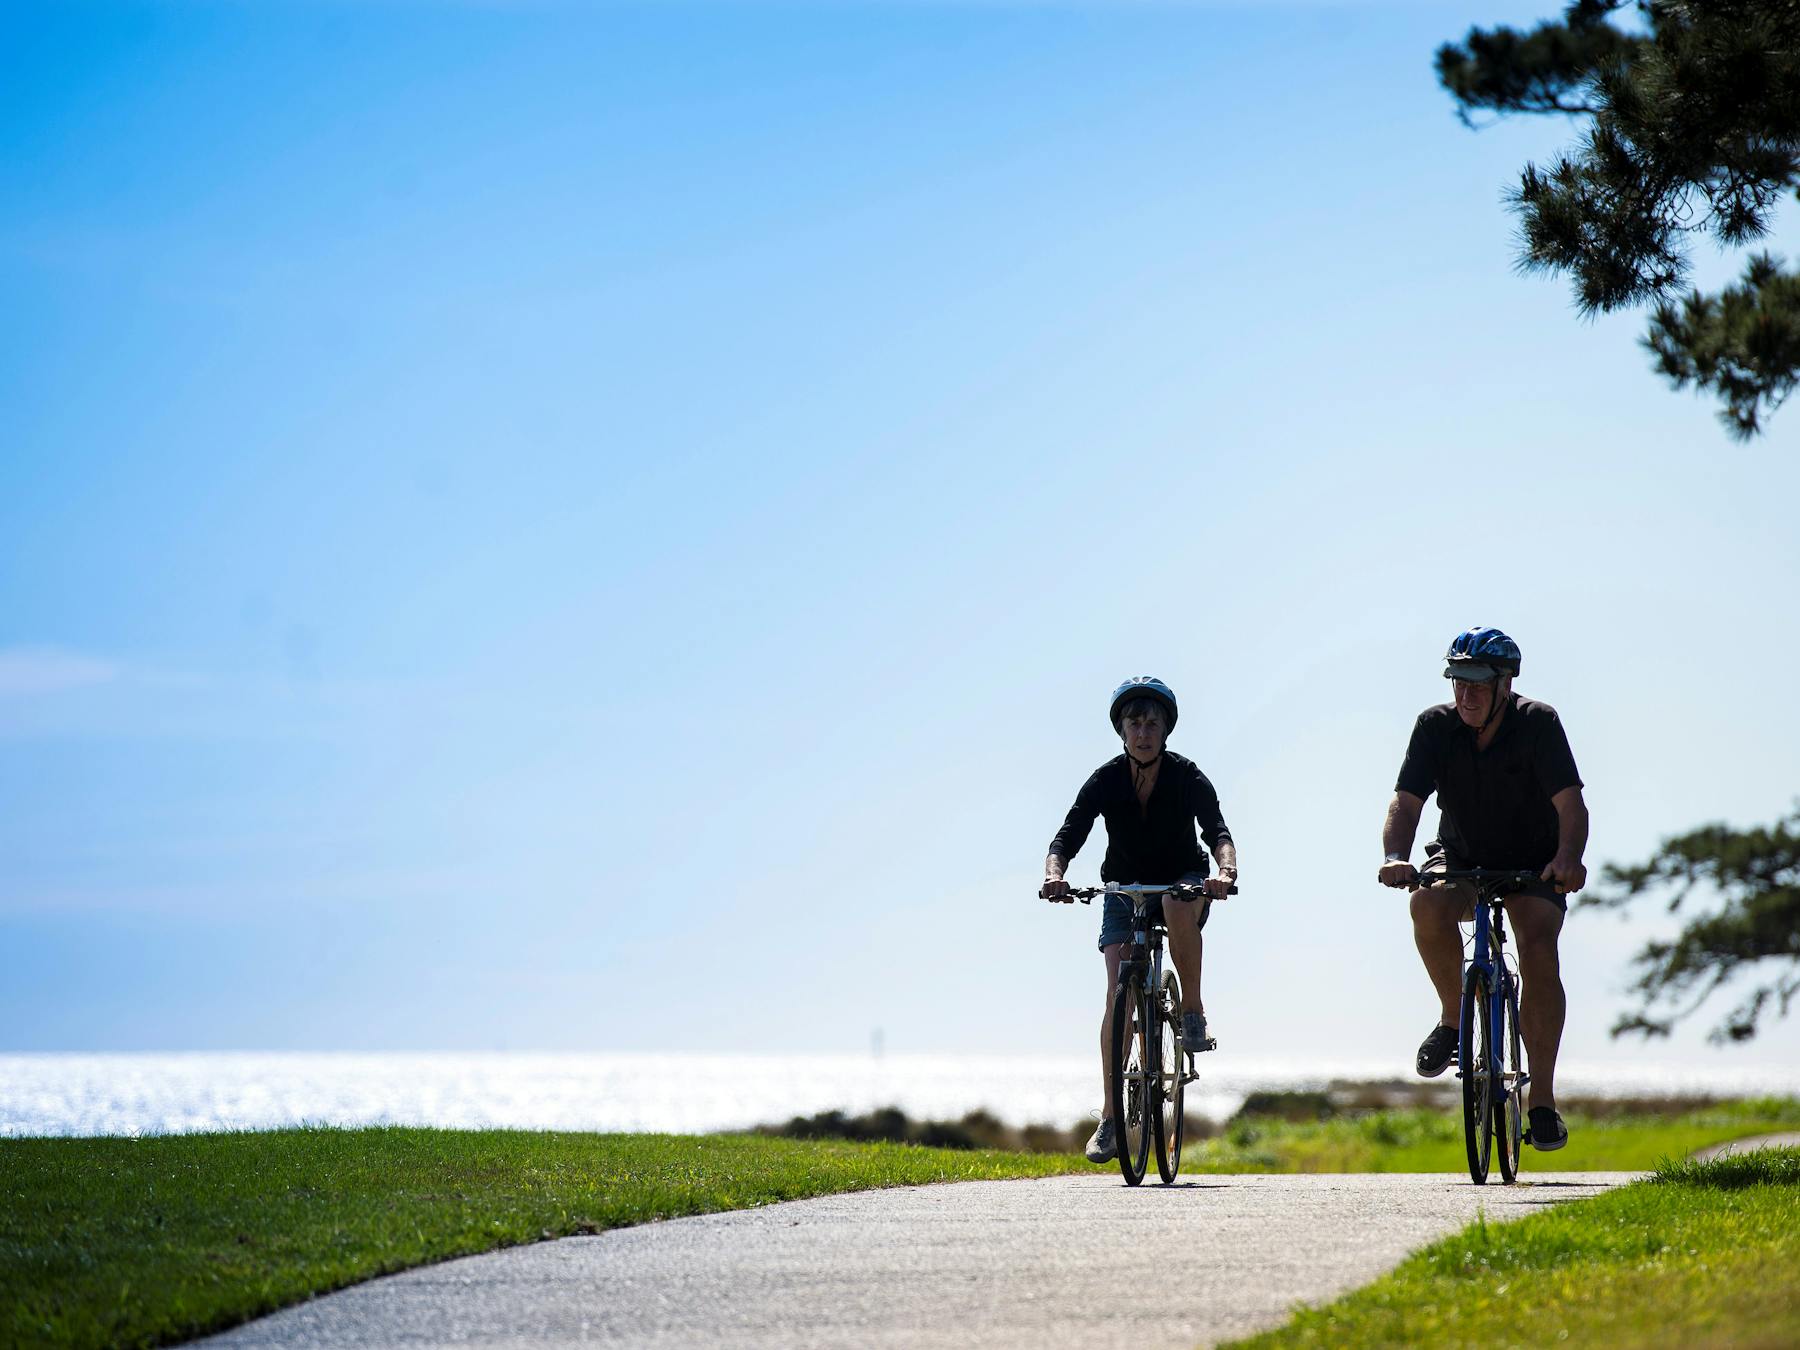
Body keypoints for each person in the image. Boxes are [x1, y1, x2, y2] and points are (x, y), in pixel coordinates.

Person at [1377, 627, 1588, 1152]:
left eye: (1477, 683)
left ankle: (1541, 1098)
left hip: (1532, 865)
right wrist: (1395, 857)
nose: (1466, 695)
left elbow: (1571, 806)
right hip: (1462, 856)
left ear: (1504, 683)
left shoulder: (1538, 723)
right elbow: (1406, 804)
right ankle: (1454, 1019)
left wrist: (1568, 859)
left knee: (1538, 944)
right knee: (1425, 903)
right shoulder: (1433, 727)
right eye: (1458, 682)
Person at [1042, 676, 1238, 1164]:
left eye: (1153, 723)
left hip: (1182, 881)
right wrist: (1054, 875)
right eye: (1134, 723)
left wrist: (1225, 870)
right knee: (1116, 999)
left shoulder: (1187, 775)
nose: (1143, 732)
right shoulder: (1106, 779)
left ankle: (1190, 1009)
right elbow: (1068, 834)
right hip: (1123, 888)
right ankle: (1111, 1119)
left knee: (1175, 904)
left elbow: (1217, 830)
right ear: (1121, 730)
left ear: (1166, 729)